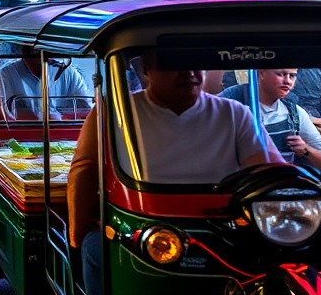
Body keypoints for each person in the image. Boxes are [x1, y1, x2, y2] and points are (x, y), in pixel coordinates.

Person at [68, 52, 281, 295]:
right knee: (94, 248)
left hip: (224, 231)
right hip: (142, 231)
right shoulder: (113, 111)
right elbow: (85, 170)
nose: (189, 72)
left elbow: (269, 172)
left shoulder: (236, 113)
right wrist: (76, 236)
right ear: (147, 70)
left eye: (196, 63)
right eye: (174, 62)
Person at [220, 69, 321, 178]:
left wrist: (307, 150)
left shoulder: (295, 114)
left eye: (292, 76)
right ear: (261, 73)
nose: (288, 81)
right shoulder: (231, 105)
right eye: (280, 74)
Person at [0, 48, 92, 121]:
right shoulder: (5, 74)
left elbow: (88, 110)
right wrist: (37, 120)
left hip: (62, 138)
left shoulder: (69, 73)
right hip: (21, 137)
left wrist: (62, 119)